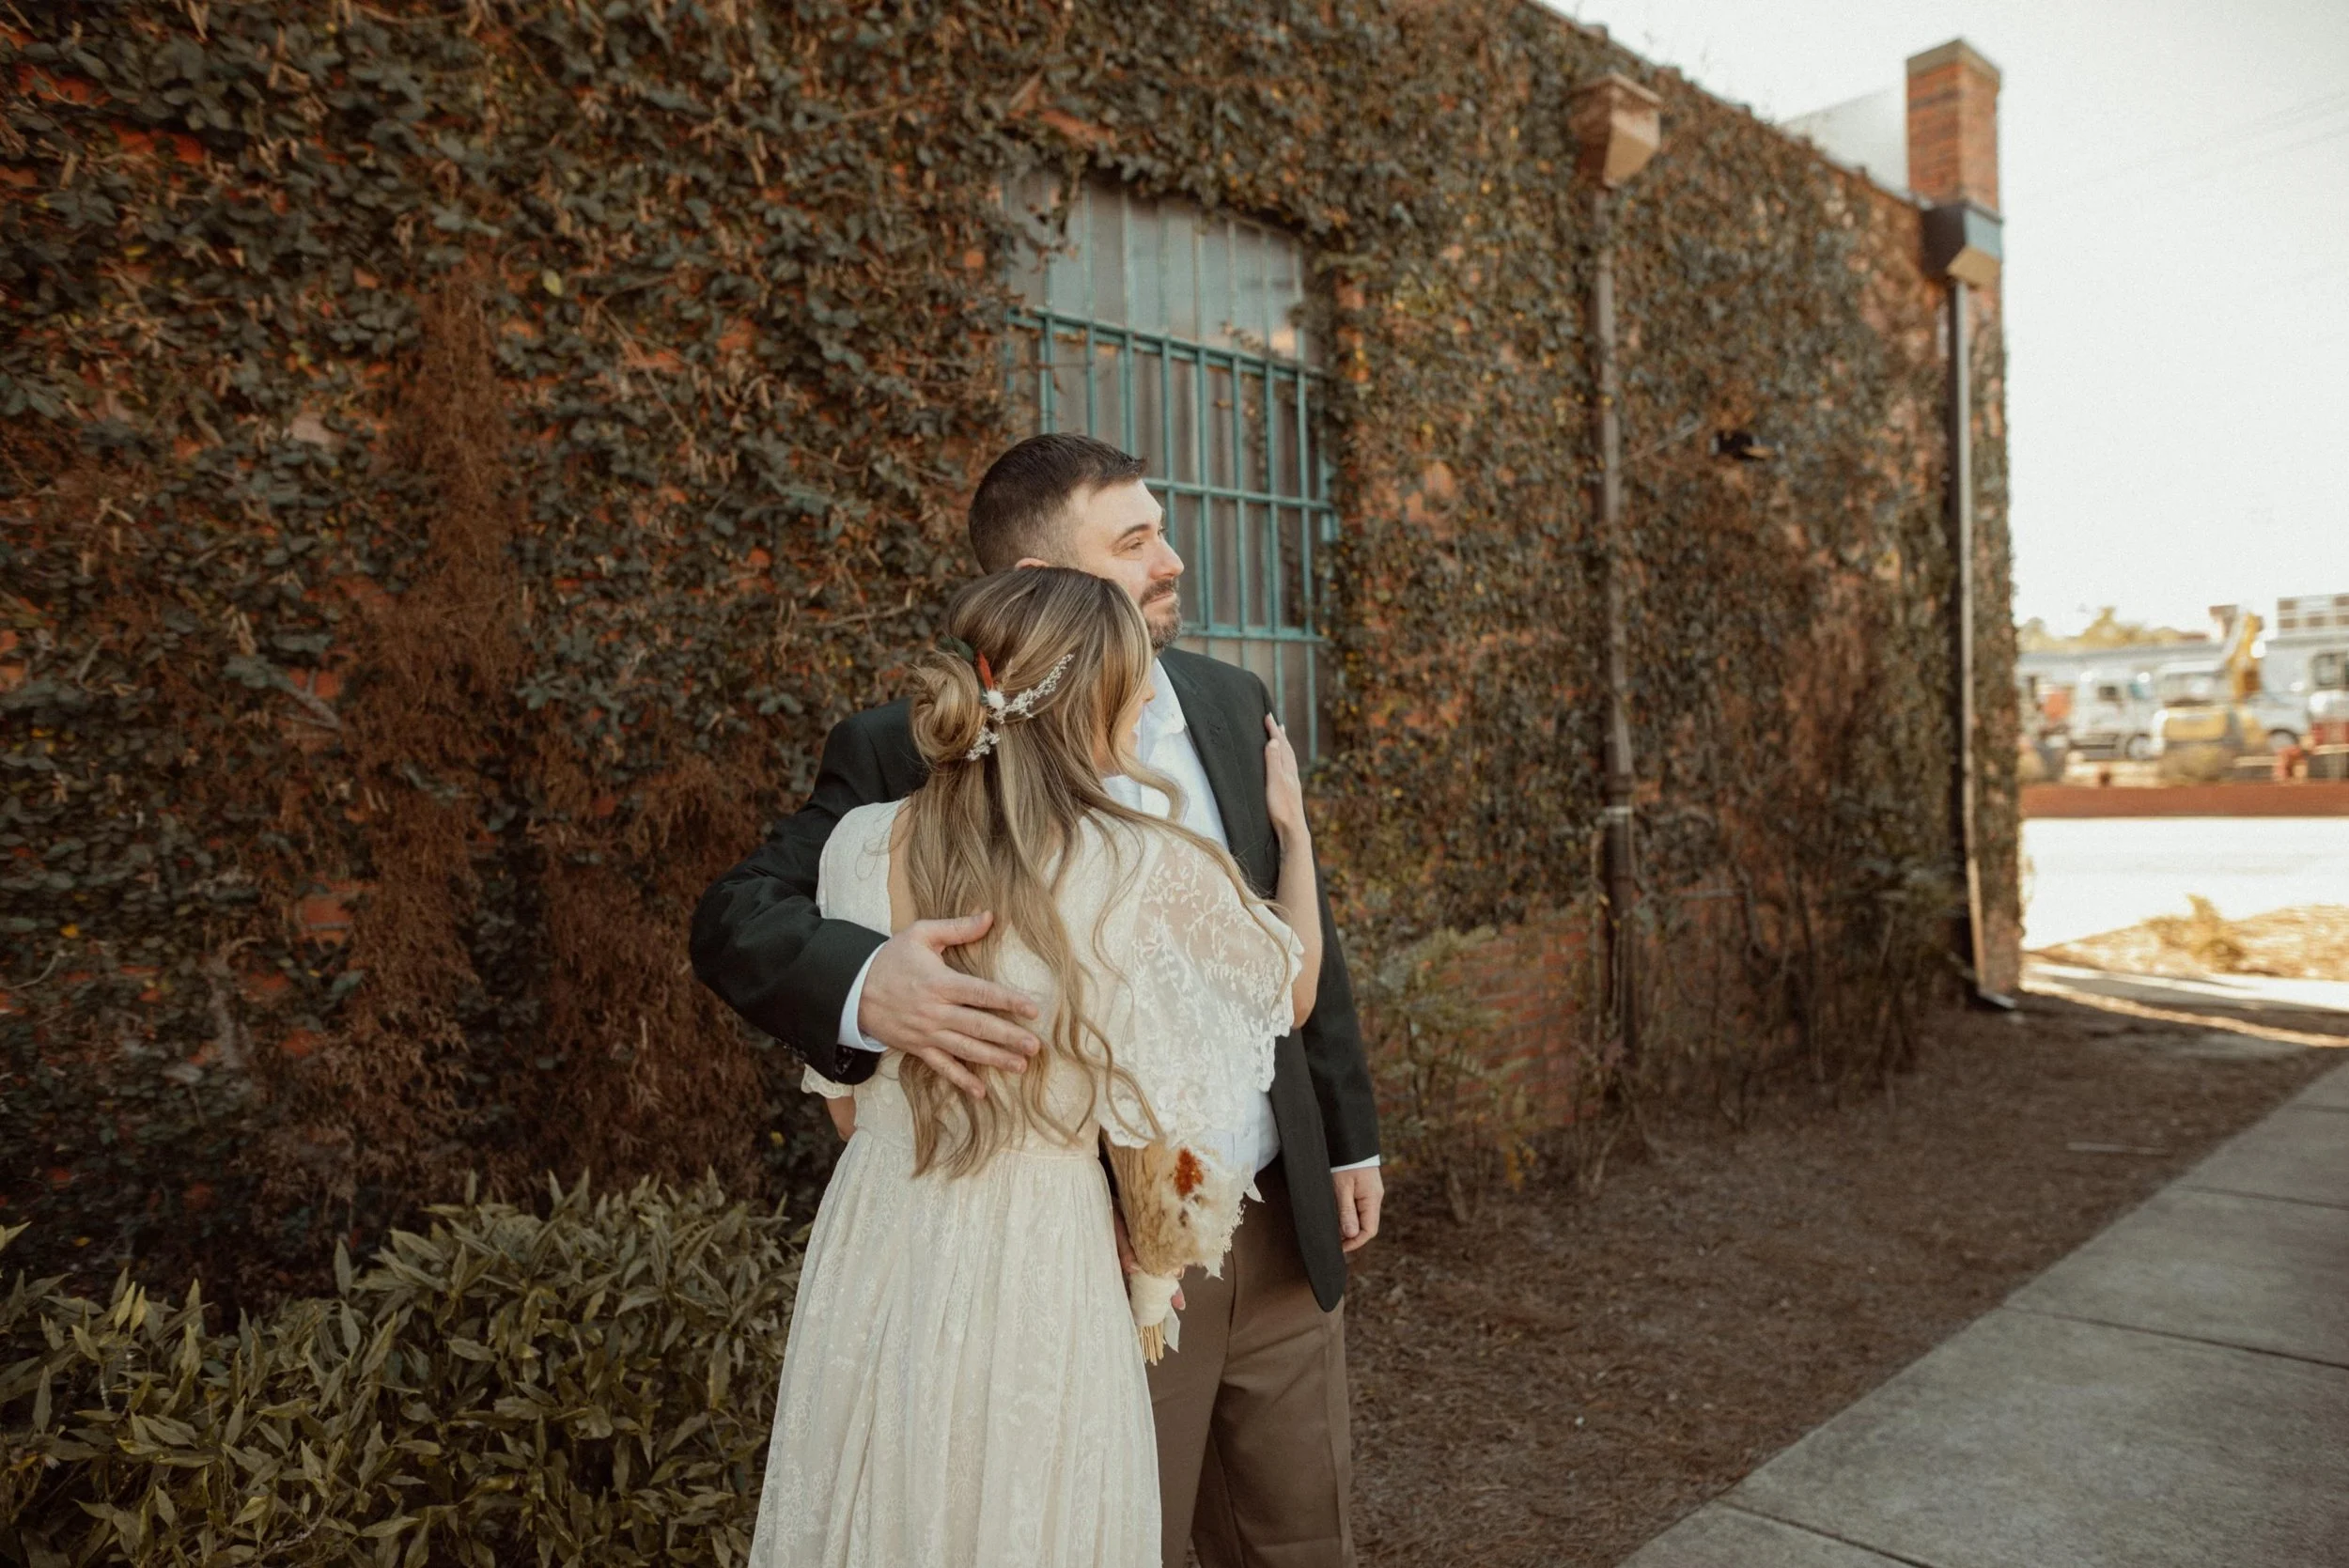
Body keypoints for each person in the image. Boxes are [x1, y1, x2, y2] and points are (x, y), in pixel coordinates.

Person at [692, 432, 1382, 1567]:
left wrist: (1346, 1138)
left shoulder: (1229, 696)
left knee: (1305, 1538)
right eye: (1135, 540)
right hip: (1087, 1261)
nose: (1171, 560)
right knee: (1098, 1526)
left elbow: (1296, 953)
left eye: (1160, 527)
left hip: (1270, 1207)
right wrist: (871, 986)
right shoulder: (897, 752)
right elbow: (737, 918)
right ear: (1035, 585)